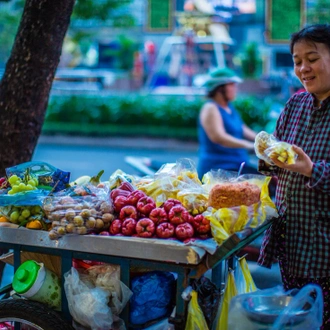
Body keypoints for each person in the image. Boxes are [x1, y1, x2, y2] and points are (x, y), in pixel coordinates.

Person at [257, 24, 330, 328]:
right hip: (292, 240)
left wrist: (313, 170)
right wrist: (266, 154)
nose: (303, 68)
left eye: (312, 58)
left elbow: (306, 167)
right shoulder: (295, 104)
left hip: (324, 246)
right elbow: (277, 157)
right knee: (297, 320)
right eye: (297, 61)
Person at [197, 67, 257, 179]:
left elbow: (243, 129)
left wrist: (266, 140)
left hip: (236, 166)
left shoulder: (229, 107)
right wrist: (250, 146)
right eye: (232, 85)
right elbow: (219, 137)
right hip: (218, 170)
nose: (235, 89)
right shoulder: (210, 107)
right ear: (220, 88)